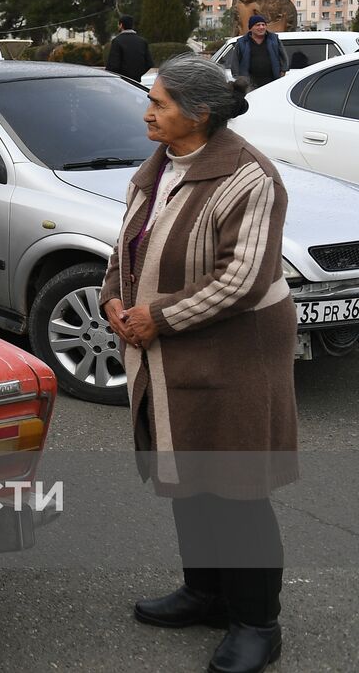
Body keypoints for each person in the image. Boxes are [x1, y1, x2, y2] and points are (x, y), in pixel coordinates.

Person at [100, 54, 297, 673]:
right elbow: (125, 246)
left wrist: (157, 319)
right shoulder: (156, 170)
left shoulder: (249, 177)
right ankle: (207, 592)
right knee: (187, 469)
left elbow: (243, 278)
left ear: (199, 113)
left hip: (234, 352)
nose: (147, 113)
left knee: (235, 485)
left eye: (158, 104)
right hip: (170, 348)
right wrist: (112, 298)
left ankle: (257, 624)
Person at [237, 15, 287, 89]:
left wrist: (283, 71)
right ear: (250, 28)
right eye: (258, 25)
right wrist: (239, 78)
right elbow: (235, 61)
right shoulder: (242, 42)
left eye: (263, 25)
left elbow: (283, 56)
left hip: (272, 82)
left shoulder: (274, 40)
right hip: (250, 84)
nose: (261, 27)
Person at [106, 14, 152, 81]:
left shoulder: (117, 41)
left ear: (121, 25)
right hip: (137, 82)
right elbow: (149, 63)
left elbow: (113, 65)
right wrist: (138, 74)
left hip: (121, 81)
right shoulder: (142, 41)